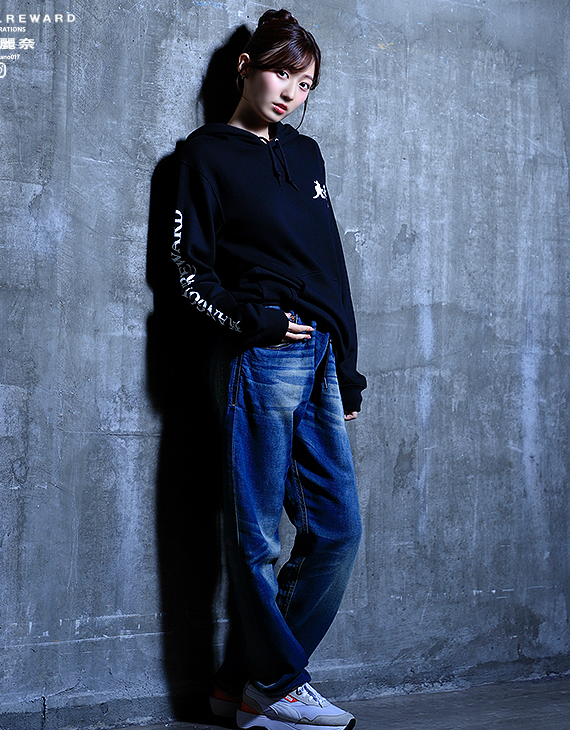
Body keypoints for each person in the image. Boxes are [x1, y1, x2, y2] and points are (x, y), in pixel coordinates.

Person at [170, 9, 365, 730]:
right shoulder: (202, 157)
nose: (291, 92)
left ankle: (240, 685)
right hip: (261, 354)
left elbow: (330, 268)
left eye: (305, 83)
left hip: (320, 357)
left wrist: (347, 368)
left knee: (336, 530)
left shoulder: (306, 156)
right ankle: (278, 684)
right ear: (246, 66)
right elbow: (187, 275)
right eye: (282, 73)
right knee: (255, 537)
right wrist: (253, 322)